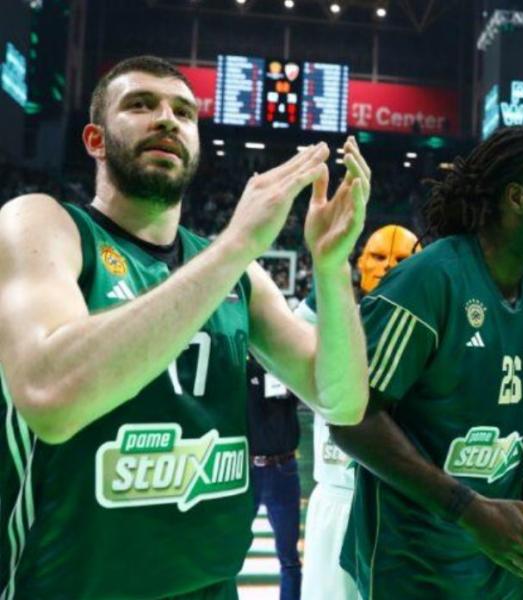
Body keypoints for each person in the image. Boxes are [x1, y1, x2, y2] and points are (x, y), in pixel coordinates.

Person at [0, 55, 371, 599]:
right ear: (95, 140)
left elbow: (342, 401)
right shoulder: (44, 224)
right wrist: (236, 244)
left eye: (184, 112)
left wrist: (333, 266)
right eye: (140, 105)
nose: (167, 120)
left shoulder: (238, 275)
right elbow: (49, 395)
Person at [330, 126, 523, 600]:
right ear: (516, 198)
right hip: (413, 569)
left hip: (499, 565)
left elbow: (507, 431)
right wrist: (467, 508)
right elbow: (352, 420)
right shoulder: (426, 282)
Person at [298, 223, 422, 600]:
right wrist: (330, 266)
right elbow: (293, 330)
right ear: (360, 263)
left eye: (401, 259)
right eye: (378, 256)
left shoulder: (432, 326)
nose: (388, 266)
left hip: (403, 498)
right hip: (337, 491)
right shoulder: (333, 315)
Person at [246, 357, 302, 600]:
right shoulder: (242, 369)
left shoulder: (287, 367)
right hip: (249, 469)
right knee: (230, 550)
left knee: (289, 558)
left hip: (284, 469)